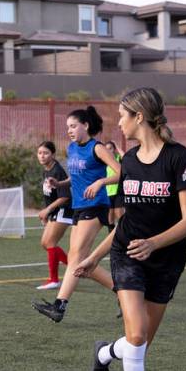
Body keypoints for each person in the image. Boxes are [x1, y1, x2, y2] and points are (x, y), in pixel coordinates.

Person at [75, 87, 186, 371]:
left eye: (122, 115)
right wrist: (94, 257)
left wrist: (155, 244)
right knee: (137, 335)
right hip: (127, 255)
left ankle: (103, 353)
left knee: (139, 344)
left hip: (167, 259)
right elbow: (128, 222)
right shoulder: (128, 160)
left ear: (139, 117)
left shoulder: (178, 157)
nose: (118, 121)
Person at [32, 106, 117, 322]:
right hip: (78, 208)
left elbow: (121, 172)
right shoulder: (71, 148)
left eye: (73, 126)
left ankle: (59, 306)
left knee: (77, 256)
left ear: (85, 125)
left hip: (96, 206)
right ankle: (124, 291)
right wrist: (59, 182)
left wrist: (100, 182)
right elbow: (76, 176)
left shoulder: (96, 148)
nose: (69, 130)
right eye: (67, 127)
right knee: (77, 261)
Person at [35, 141, 73, 290]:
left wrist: (47, 210)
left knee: (50, 243)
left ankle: (54, 279)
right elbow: (49, 196)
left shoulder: (57, 171)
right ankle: (76, 267)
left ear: (53, 155)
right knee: (45, 243)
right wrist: (47, 213)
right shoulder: (46, 170)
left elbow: (65, 197)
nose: (42, 156)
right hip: (55, 211)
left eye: (45, 153)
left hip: (64, 210)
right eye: (39, 153)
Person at [104, 140, 125, 227]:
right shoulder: (103, 162)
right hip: (107, 193)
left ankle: (124, 235)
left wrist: (117, 145)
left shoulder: (118, 159)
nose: (109, 151)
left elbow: (125, 156)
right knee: (110, 218)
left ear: (114, 149)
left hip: (118, 192)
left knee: (119, 215)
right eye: (107, 149)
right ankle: (112, 237)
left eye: (110, 148)